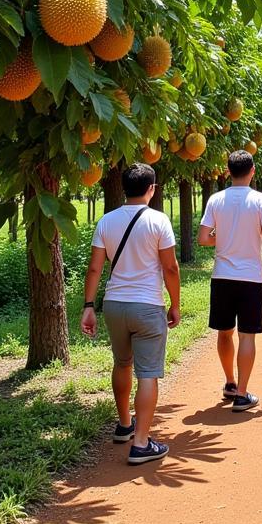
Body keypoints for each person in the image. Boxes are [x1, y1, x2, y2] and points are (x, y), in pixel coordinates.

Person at [81, 162, 181, 467]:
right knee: (147, 373)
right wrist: (175, 303)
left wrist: (88, 306)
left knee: (122, 363)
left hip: (115, 305)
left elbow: (95, 267)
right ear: (151, 189)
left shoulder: (106, 221)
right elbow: (171, 267)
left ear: (124, 188)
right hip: (148, 306)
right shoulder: (158, 220)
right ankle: (141, 443)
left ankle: (124, 424)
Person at [197, 149, 262, 412]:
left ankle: (230, 383)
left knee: (224, 332)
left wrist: (219, 239)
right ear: (253, 171)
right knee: (247, 336)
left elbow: (202, 238)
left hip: (222, 275)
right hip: (250, 277)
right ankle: (242, 394)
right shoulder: (261, 200)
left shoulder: (215, 200)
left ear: (227, 171)